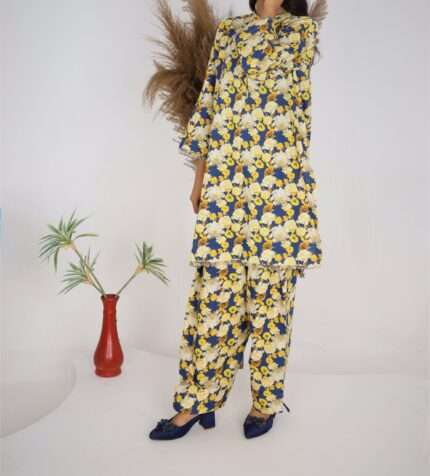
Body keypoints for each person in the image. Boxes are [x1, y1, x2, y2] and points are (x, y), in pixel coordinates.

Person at [149, 0, 323, 440]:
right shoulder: (229, 33)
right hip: (226, 188)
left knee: (270, 305)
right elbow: (209, 107)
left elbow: (291, 113)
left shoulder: (301, 33)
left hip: (279, 191)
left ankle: (265, 403)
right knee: (214, 302)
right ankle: (197, 402)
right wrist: (199, 178)